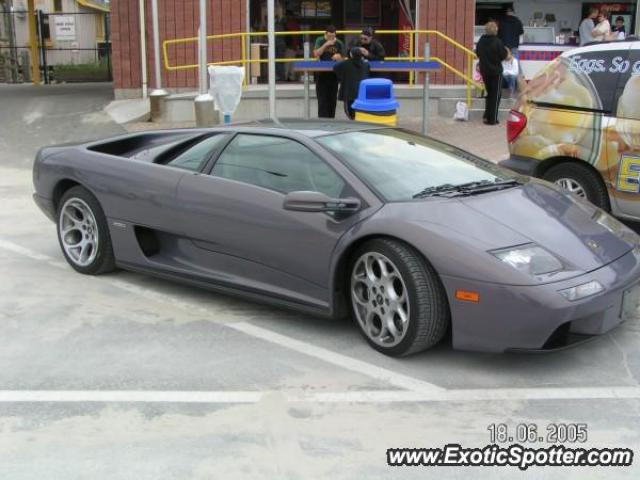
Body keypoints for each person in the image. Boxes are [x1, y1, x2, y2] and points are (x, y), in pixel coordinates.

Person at [476, 21, 508, 125]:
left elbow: (478, 53)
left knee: (489, 94)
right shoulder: (497, 41)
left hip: (485, 71)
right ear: (495, 30)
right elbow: (503, 55)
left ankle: (486, 116)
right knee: (496, 95)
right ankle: (492, 119)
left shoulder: (481, 40)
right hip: (496, 72)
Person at [313, 25, 346, 118]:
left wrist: (339, 57)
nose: (331, 38)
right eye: (329, 36)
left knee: (332, 101)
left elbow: (343, 58)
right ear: (325, 34)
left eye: (333, 36)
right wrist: (326, 44)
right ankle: (323, 123)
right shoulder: (320, 40)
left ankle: (332, 122)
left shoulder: (339, 43)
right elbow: (316, 54)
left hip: (334, 75)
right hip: (321, 74)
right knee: (322, 101)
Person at [334, 47, 370, 120]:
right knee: (361, 113)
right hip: (362, 93)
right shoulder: (366, 64)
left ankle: (354, 122)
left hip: (349, 93)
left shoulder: (346, 63)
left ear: (351, 55)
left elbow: (335, 68)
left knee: (350, 113)